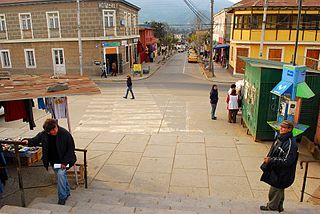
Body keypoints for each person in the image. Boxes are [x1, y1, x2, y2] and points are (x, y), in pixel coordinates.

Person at [22, 119, 76, 205]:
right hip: (54, 161)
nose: (53, 132)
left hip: (66, 160)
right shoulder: (44, 134)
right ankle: (67, 191)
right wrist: (27, 141)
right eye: (50, 131)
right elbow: (35, 140)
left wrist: (65, 163)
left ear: (56, 126)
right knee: (61, 176)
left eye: (54, 130)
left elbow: (71, 150)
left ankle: (62, 197)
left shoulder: (65, 134)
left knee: (61, 174)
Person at [260, 120, 298, 212]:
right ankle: (279, 207)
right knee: (279, 189)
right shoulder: (279, 137)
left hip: (283, 173)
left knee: (275, 190)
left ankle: (272, 208)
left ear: (290, 129)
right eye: (281, 127)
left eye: (284, 127)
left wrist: (271, 160)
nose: (281, 129)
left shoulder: (290, 144)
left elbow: (287, 161)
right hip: (277, 170)